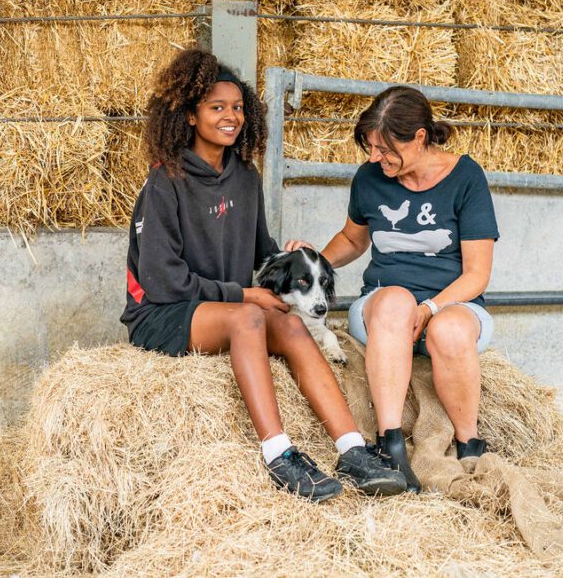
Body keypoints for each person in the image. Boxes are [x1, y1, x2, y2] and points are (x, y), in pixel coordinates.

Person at [120, 49, 406, 502]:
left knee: (292, 323)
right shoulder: (165, 182)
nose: (230, 116)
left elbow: (261, 252)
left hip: (228, 304)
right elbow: (162, 282)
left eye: (237, 107)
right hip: (165, 314)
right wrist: (244, 295)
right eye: (216, 108)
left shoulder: (246, 178)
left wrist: (286, 257)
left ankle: (352, 449)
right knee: (249, 318)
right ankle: (279, 454)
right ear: (190, 116)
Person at [320, 86, 499, 493]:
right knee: (396, 302)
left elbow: (476, 275)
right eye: (370, 147)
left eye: (386, 149)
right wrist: (315, 261)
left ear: (420, 137)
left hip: (455, 306)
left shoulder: (466, 178)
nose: (374, 158)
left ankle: (469, 445)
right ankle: (391, 445)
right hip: (382, 311)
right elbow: (352, 239)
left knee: (448, 329)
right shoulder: (370, 178)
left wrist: (433, 307)